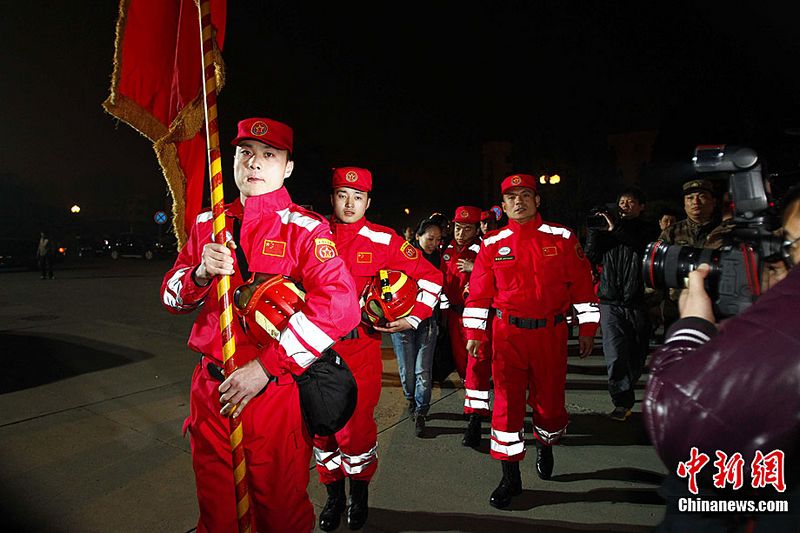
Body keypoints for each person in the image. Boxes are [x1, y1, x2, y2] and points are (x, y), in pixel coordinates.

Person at [160, 116, 361, 532]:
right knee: (217, 513)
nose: (254, 163)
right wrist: (199, 275)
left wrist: (267, 366)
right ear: (231, 161)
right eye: (245, 153)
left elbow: (341, 307)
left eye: (269, 155)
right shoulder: (206, 224)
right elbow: (170, 297)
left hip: (273, 394)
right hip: (211, 392)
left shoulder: (305, 228)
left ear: (287, 167)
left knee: (279, 512)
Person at [643, 184, 800, 532]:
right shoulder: (675, 230)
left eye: (788, 246)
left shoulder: (727, 232)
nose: (776, 262)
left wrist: (693, 329)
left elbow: (682, 411)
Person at [313, 167, 442, 531]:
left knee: (355, 431)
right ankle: (333, 496)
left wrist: (414, 317)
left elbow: (431, 278)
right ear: (332, 198)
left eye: (358, 197)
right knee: (322, 431)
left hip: (359, 349)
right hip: (314, 352)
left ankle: (359, 496)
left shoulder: (383, 240)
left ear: (368, 201)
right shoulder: (313, 235)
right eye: (342, 195)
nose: (350, 203)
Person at [463, 173, 599, 509]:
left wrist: (587, 329)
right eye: (511, 197)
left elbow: (583, 285)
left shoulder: (563, 237)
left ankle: (546, 443)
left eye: (525, 195)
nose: (518, 201)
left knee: (549, 405)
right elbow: (479, 295)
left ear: (537, 201)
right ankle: (510, 478)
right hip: (507, 336)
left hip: (550, 335)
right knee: (506, 406)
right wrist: (476, 334)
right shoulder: (492, 245)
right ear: (504, 204)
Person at [585, 187, 659, 421]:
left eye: (630, 202)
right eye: (622, 201)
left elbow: (644, 248)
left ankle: (626, 385)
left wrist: (615, 229)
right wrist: (595, 229)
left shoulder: (649, 228)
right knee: (615, 354)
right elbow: (591, 256)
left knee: (636, 354)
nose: (625, 205)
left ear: (641, 206)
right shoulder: (607, 230)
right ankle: (621, 400)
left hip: (639, 301)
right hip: (610, 301)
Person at [440, 205, 493, 447]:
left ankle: (475, 420)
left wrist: (477, 268)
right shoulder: (447, 249)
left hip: (477, 316)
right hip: (453, 316)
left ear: (476, 230)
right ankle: (474, 403)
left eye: (467, 228)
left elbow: (498, 277)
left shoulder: (484, 250)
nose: (461, 232)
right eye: (458, 227)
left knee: (476, 366)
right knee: (462, 364)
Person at [390, 218, 444, 437]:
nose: (433, 244)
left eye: (438, 240)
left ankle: (421, 410)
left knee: (423, 369)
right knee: (407, 369)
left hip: (428, 322)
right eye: (429, 239)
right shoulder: (402, 256)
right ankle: (411, 399)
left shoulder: (441, 259)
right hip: (403, 322)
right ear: (417, 236)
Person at [657, 178, 719, 331]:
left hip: (716, 307)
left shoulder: (725, 232)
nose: (695, 202)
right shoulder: (671, 233)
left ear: (713, 202)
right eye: (690, 198)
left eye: (702, 196)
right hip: (676, 307)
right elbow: (657, 268)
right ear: (684, 204)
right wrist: (653, 304)